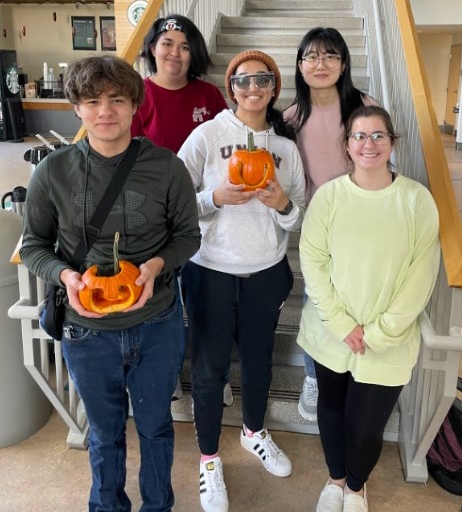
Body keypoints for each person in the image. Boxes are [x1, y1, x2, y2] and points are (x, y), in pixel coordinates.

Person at [19, 55, 201, 511]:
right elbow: (34, 245)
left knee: (157, 427)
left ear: (134, 105)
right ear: (76, 107)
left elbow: (189, 237)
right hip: (86, 331)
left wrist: (157, 265)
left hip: (157, 322)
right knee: (103, 432)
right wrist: (64, 274)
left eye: (117, 99)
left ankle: (158, 505)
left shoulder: (166, 167)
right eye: (93, 100)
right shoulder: (53, 173)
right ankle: (107, 506)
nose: (106, 111)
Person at [177, 49, 306, 512]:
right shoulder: (207, 136)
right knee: (209, 371)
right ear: (231, 88)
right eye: (244, 81)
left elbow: (297, 219)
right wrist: (213, 197)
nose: (253, 88)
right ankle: (209, 459)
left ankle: (254, 432)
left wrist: (280, 206)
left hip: (266, 272)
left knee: (258, 362)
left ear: (274, 88)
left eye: (263, 80)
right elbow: (175, 201)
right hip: (209, 269)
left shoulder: (286, 150)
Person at [297, 105, 440, 512]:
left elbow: (421, 274)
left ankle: (356, 487)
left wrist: (379, 332)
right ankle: (335, 479)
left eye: (378, 135)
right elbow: (313, 261)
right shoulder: (329, 197)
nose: (369, 144)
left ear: (393, 142)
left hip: (387, 341)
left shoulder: (416, 201)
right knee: (331, 410)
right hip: (331, 332)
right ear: (347, 146)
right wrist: (342, 324)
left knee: (366, 428)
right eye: (359, 136)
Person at [131, 13, 231, 403]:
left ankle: (214, 377)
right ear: (153, 48)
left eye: (185, 46)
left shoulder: (209, 97)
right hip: (153, 220)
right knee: (161, 304)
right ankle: (168, 373)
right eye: (167, 43)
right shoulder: (137, 95)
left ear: (195, 54)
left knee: (206, 305)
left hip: (206, 217)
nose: (175, 52)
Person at [284, 27, 378, 423]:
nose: (320, 65)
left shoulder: (363, 106)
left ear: (343, 64)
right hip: (317, 224)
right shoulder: (290, 116)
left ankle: (359, 371)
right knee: (317, 302)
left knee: (361, 298)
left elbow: (377, 159)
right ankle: (313, 377)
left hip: (362, 222)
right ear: (301, 66)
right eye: (311, 57)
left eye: (330, 56)